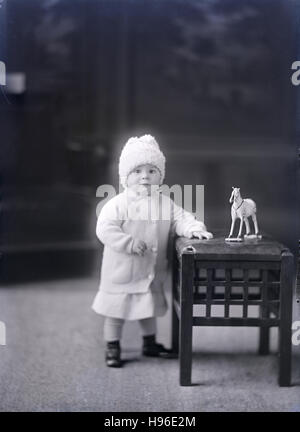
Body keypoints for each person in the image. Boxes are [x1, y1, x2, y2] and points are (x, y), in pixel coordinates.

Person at [92, 135, 213, 367]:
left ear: (160, 176)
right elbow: (104, 229)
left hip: (149, 272)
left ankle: (150, 343)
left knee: (147, 308)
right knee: (115, 312)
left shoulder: (165, 203)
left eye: (151, 170)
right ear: (125, 177)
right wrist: (128, 242)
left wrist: (193, 228)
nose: (145, 176)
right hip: (122, 271)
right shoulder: (118, 204)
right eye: (137, 171)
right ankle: (112, 346)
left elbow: (181, 219)